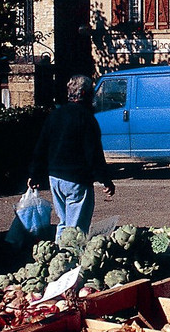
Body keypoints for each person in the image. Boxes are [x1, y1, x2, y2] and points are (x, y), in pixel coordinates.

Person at [28, 75, 116, 239]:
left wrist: (34, 173)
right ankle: (70, 260)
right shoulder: (86, 118)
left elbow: (41, 146)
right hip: (76, 180)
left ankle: (57, 256)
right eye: (91, 93)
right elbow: (94, 153)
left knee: (63, 222)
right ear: (84, 93)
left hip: (55, 178)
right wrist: (105, 179)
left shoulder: (55, 115)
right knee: (76, 229)